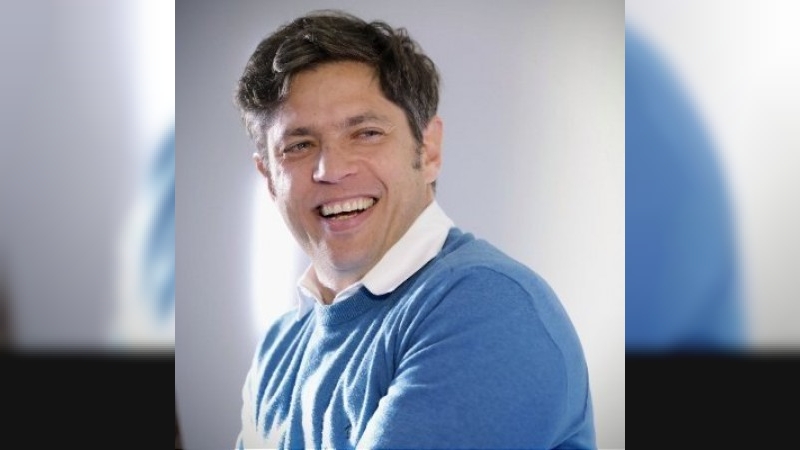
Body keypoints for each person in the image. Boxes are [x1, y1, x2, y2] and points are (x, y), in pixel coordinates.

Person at [233, 10, 595, 449]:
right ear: (269, 179)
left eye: (366, 133)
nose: (331, 170)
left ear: (428, 150)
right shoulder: (278, 348)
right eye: (299, 145)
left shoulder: (487, 307)